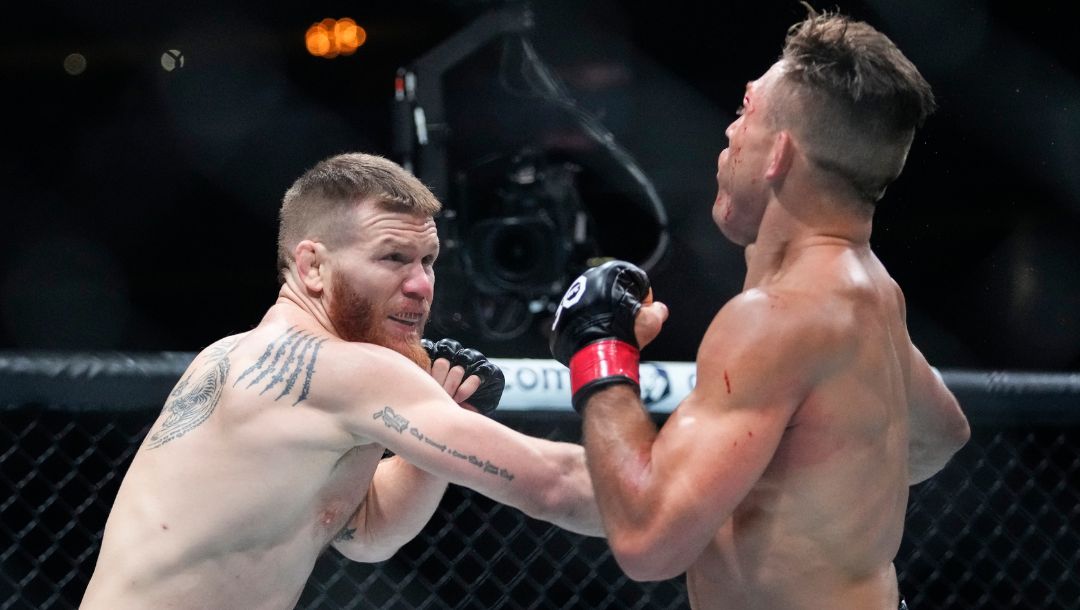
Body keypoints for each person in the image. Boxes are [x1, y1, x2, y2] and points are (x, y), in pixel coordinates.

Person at [548, 9, 970, 610]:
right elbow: (942, 433)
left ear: (779, 154)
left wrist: (599, 353)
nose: (728, 133)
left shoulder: (774, 317)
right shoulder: (872, 291)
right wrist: (826, 483)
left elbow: (649, 543)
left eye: (746, 111)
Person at [80, 152, 603, 609]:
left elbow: (364, 532)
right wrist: (678, 486)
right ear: (312, 266)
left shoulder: (232, 354)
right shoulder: (347, 371)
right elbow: (557, 483)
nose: (421, 286)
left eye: (428, 261)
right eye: (393, 258)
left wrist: (444, 430)